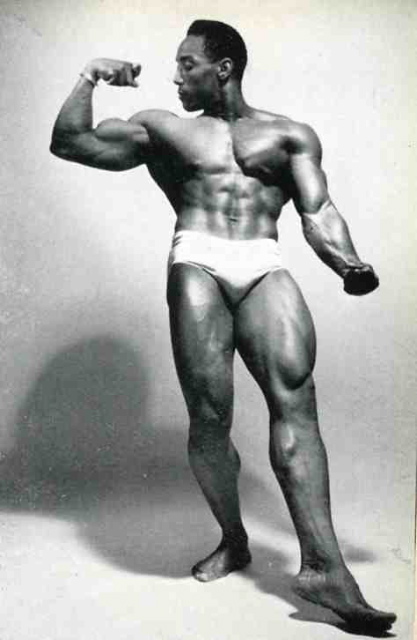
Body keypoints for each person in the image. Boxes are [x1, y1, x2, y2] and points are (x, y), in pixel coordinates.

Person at [50, 19, 396, 632]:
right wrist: (90, 76)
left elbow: (318, 209)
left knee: (297, 400)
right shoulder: (163, 128)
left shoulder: (290, 135)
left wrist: (348, 262)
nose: (175, 76)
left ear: (223, 68)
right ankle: (234, 539)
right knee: (211, 416)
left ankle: (326, 568)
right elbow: (71, 143)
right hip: (199, 259)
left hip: (263, 261)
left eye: (187, 64)